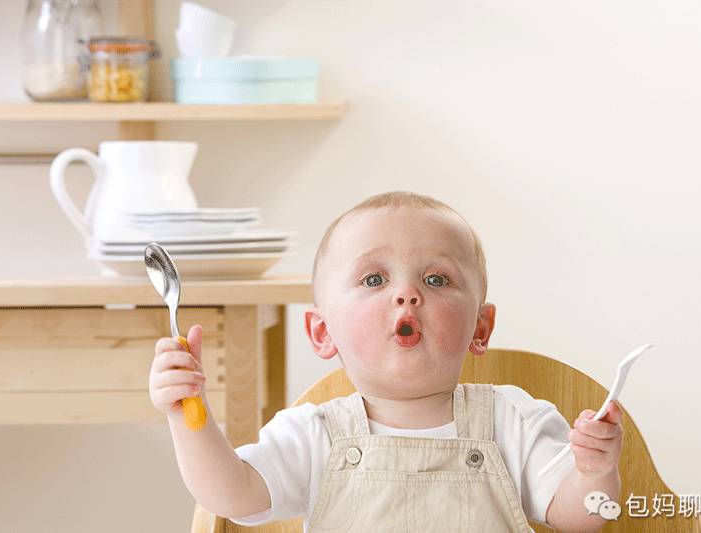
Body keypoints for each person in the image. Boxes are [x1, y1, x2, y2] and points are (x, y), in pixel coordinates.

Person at [150, 191, 623, 532]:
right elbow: (231, 496)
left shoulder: (514, 421)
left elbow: (580, 517)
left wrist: (595, 472)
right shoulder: (313, 434)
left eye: (436, 280)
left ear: (480, 327)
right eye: (374, 279)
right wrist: (187, 415)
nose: (406, 294)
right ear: (323, 331)